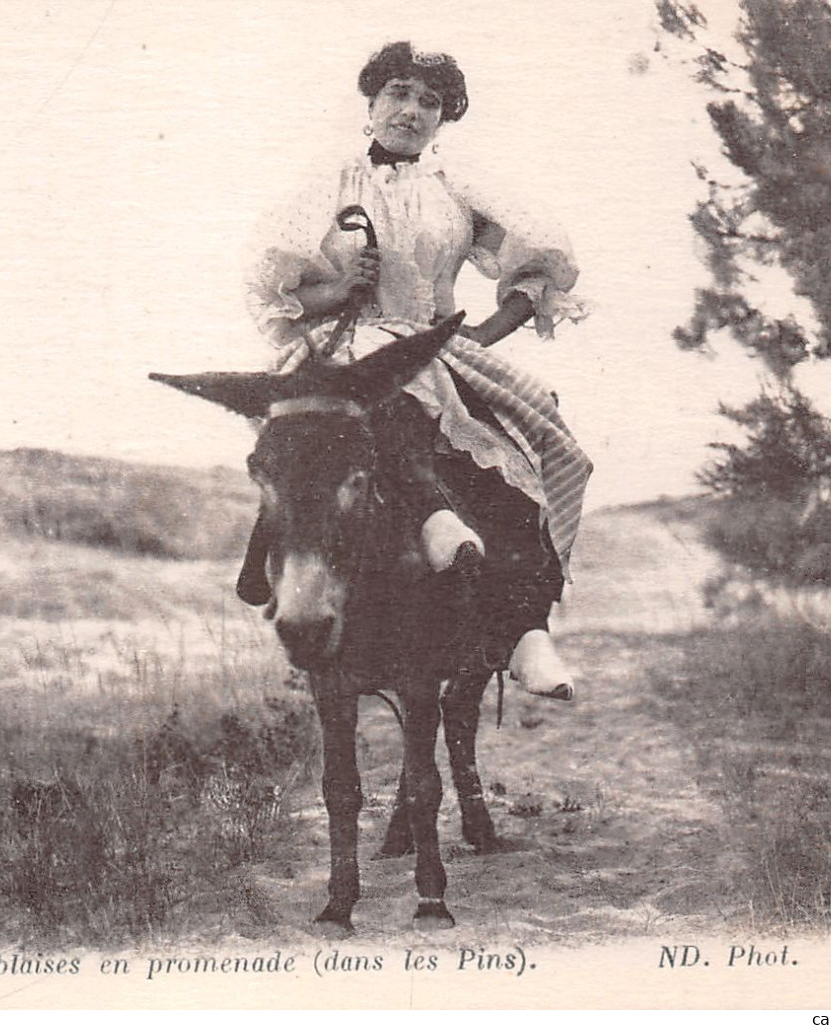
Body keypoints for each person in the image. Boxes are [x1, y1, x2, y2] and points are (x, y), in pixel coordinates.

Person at [242, 41, 592, 700]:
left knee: (543, 434)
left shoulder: (455, 191)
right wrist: (342, 287)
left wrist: (477, 337)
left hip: (431, 345)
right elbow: (275, 290)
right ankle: (277, 586)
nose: (411, 111)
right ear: (370, 104)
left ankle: (526, 627)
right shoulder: (328, 184)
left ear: (442, 119)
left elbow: (539, 263)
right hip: (341, 347)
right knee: (295, 445)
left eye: (428, 102)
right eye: (398, 94)